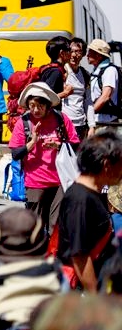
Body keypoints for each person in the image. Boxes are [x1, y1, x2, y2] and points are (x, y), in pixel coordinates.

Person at [9, 82, 78, 234]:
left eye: (40, 105)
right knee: (36, 228)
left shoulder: (61, 119)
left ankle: (54, 256)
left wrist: (59, 145)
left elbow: (76, 145)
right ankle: (37, 255)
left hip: (61, 180)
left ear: (48, 105)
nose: (35, 110)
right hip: (34, 182)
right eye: (32, 105)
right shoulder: (24, 122)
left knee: (57, 226)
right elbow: (15, 153)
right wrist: (32, 142)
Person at [58, 132, 122, 290]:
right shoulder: (80, 200)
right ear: (107, 165)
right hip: (80, 290)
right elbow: (80, 256)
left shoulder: (92, 194)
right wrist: (95, 299)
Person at [85, 37, 119, 135]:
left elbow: (105, 96)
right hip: (97, 122)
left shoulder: (110, 71)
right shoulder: (97, 70)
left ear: (98, 56)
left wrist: (89, 114)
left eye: (90, 51)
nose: (87, 55)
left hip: (105, 123)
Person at [61, 37, 90, 140]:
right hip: (64, 123)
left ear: (83, 54)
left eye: (77, 51)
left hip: (81, 124)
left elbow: (88, 102)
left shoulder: (85, 74)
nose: (73, 55)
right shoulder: (61, 71)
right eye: (71, 51)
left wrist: (91, 125)